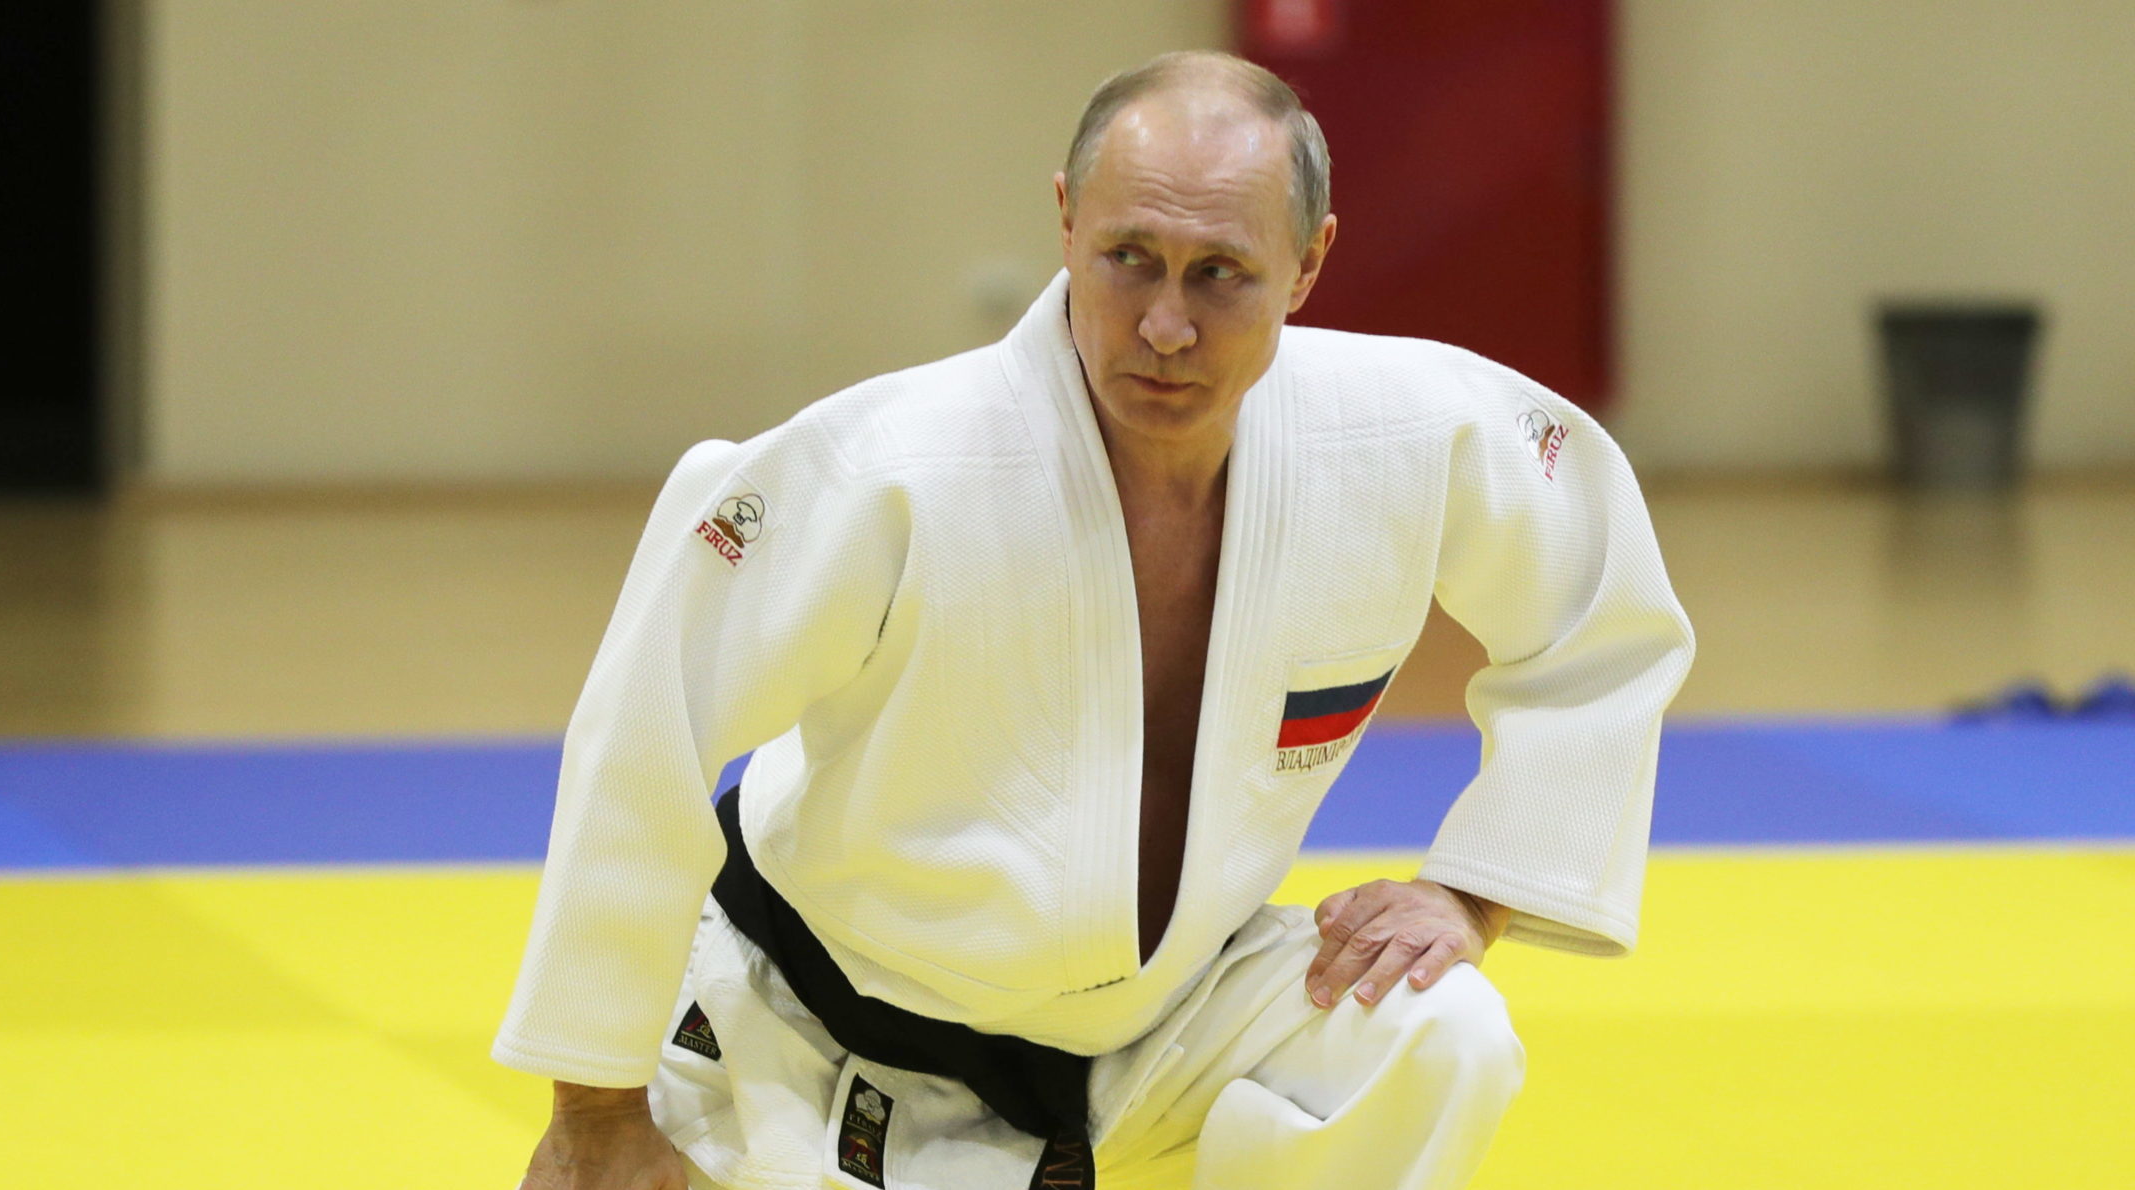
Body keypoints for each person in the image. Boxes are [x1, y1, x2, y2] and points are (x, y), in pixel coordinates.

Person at [497, 49, 1693, 1190]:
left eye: (1219, 273)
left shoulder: (1405, 435)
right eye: (1129, 258)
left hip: (1160, 1035)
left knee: (1441, 1032)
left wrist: (1473, 893)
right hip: (799, 1030)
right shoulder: (885, 467)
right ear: (1066, 221)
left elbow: (1601, 607)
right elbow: (644, 735)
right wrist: (595, 1108)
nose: (1166, 324)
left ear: (1308, 260)